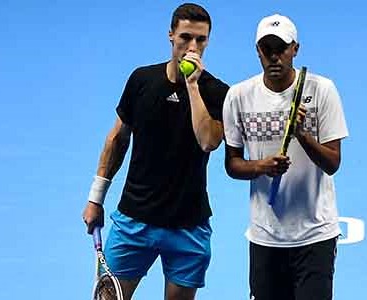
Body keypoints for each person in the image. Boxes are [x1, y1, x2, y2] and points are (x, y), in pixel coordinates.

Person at [81, 3, 229, 300]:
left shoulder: (218, 93)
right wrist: (95, 198)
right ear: (170, 35)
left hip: (188, 227)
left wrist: (193, 87)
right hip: (133, 222)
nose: (193, 47)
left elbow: (208, 141)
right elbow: (117, 140)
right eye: (186, 37)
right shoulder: (141, 81)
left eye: (201, 40)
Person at [222, 13, 349, 300]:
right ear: (257, 51)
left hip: (315, 235)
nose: (274, 57)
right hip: (265, 237)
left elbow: (333, 163)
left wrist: (303, 135)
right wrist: (262, 167)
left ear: (295, 49)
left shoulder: (322, 90)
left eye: (281, 48)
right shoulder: (239, 96)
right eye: (267, 49)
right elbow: (232, 164)